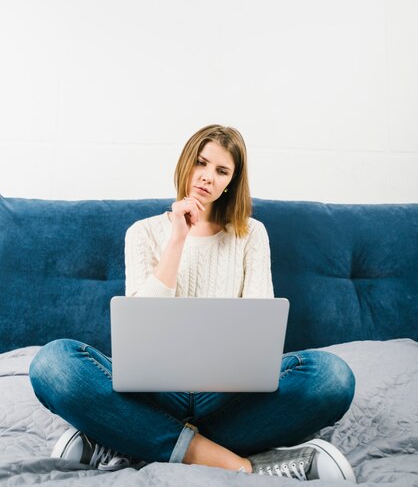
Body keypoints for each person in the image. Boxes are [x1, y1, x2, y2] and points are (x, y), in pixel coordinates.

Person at [29, 124, 356, 481]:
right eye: (201, 163)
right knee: (53, 364)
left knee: (333, 377)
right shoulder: (142, 232)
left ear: (232, 181)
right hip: (155, 391)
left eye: (221, 171)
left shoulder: (251, 234)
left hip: (228, 394)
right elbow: (142, 323)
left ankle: (128, 440)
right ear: (187, 162)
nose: (206, 177)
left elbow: (259, 330)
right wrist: (177, 239)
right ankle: (236, 462)